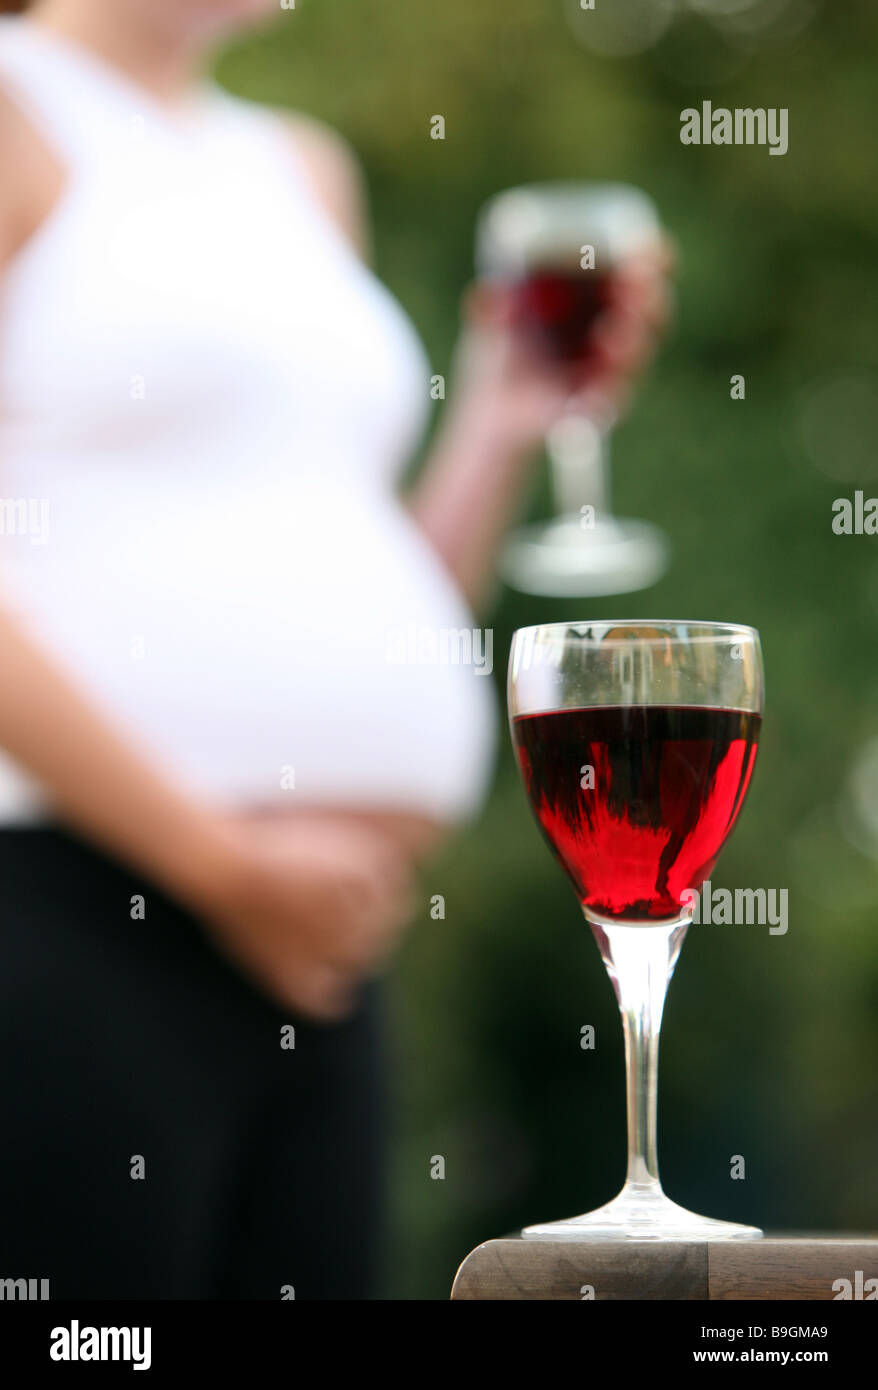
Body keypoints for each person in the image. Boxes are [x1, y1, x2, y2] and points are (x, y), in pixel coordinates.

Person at [0, 0, 670, 1298]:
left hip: (322, 951)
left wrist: (496, 419)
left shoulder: (297, 166)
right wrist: (223, 863)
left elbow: (370, 584)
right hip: (68, 915)